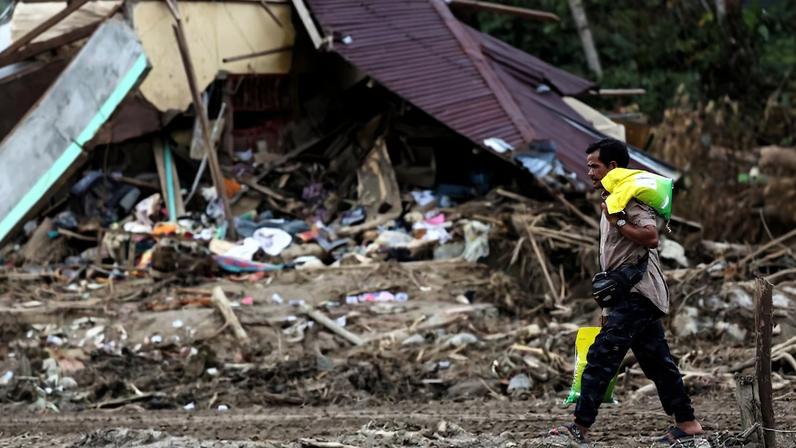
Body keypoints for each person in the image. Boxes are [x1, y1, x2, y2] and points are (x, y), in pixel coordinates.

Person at [552, 138, 703, 446]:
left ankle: (579, 428)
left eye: (595, 166)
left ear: (613, 167)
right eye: (589, 166)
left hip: (638, 294)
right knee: (658, 362)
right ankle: (687, 424)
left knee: (602, 356)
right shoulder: (615, 197)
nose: (590, 173)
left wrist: (618, 220)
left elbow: (650, 237)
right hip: (630, 295)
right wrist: (607, 310)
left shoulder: (629, 200)